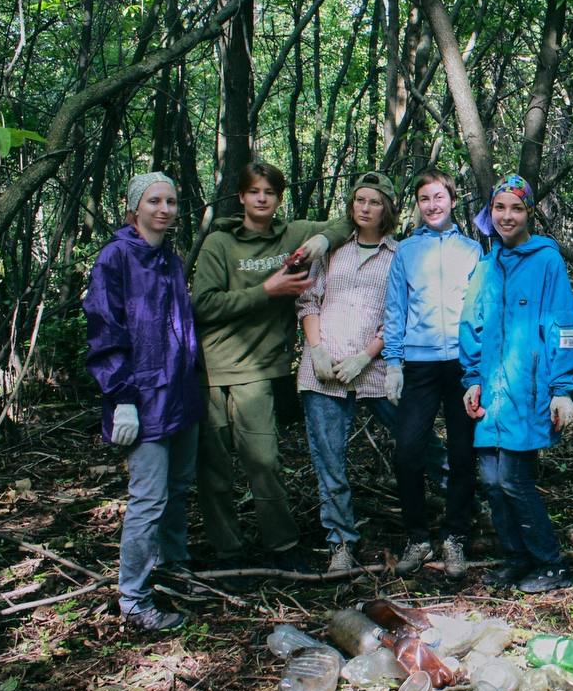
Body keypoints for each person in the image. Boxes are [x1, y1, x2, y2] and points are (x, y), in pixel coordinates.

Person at [192, 161, 354, 575]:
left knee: (263, 462)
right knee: (215, 472)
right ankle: (228, 553)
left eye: (269, 192)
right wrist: (267, 290)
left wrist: (319, 240)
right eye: (254, 192)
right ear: (241, 197)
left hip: (260, 371)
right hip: (209, 370)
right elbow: (203, 305)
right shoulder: (220, 244)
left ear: (278, 198)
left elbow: (347, 219)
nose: (261, 198)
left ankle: (282, 546)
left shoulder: (290, 235)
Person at [84, 173, 202, 631]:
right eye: (154, 201)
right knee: (148, 499)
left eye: (171, 201)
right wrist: (122, 398)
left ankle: (173, 566)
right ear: (134, 207)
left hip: (180, 396)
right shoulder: (115, 258)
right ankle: (133, 598)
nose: (164, 208)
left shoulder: (169, 258)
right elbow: (105, 331)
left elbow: (181, 331)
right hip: (142, 400)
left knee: (179, 489)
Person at [459, 174, 573, 594]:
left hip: (530, 394)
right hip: (491, 398)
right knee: (492, 482)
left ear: (529, 212)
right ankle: (515, 559)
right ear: (489, 214)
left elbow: (565, 325)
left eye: (516, 208)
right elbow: (471, 327)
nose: (507, 216)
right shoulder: (484, 267)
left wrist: (564, 388)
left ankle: (550, 564)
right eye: (500, 208)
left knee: (514, 480)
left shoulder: (547, 261)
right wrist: (471, 379)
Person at [297, 173, 409, 574]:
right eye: (359, 200)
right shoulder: (331, 251)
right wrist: (317, 349)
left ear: (387, 209)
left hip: (375, 370)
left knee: (415, 438)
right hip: (324, 372)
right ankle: (341, 542)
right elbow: (308, 301)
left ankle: (461, 512)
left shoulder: (399, 255)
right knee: (330, 459)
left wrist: (366, 355)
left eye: (374, 202)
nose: (365, 208)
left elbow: (399, 317)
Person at [381, 169, 481, 578]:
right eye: (425, 198)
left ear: (452, 200)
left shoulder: (473, 250)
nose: (433, 205)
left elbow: (481, 311)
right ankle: (418, 537)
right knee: (408, 452)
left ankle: (455, 535)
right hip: (419, 364)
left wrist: (480, 369)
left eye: (439, 197)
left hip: (462, 363)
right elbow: (395, 308)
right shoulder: (405, 252)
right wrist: (392, 361)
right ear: (417, 205)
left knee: (462, 453)